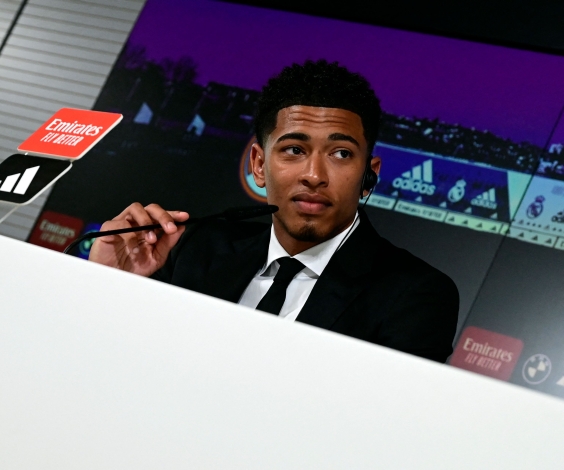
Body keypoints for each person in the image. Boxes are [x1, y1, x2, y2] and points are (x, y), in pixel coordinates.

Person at [89, 60, 459, 362]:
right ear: (259, 165)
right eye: (294, 150)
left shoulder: (417, 297)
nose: (314, 175)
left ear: (369, 175)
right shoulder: (194, 250)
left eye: (341, 154)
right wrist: (107, 286)